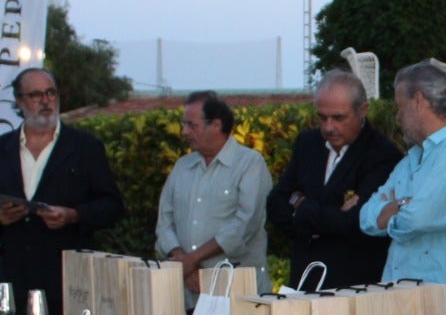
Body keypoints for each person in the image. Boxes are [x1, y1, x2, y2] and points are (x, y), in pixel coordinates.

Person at [0, 67, 125, 315]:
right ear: (19, 101)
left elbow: (112, 206)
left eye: (51, 93)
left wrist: (73, 215)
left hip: (70, 281)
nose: (46, 101)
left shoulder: (85, 148)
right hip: (15, 280)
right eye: (36, 95)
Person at [359, 62, 446, 315]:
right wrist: (403, 205)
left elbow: (421, 219)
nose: (398, 117)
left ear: (418, 101)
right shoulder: (409, 160)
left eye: (400, 106)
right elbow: (365, 217)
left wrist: (391, 211)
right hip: (400, 306)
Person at [266, 70, 402, 290]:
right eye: (322, 117)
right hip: (303, 281)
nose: (328, 127)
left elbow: (356, 222)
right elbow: (275, 203)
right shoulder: (307, 143)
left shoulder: (382, 155)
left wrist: (301, 207)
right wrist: (325, 217)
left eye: (338, 118)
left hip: (352, 286)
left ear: (363, 110)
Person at [156, 91, 274, 299]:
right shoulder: (182, 166)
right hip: (186, 294)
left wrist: (192, 259)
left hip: (237, 294)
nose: (184, 131)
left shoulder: (250, 164)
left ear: (216, 125)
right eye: (184, 124)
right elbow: (164, 222)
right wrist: (184, 264)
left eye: (192, 125)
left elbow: (245, 226)